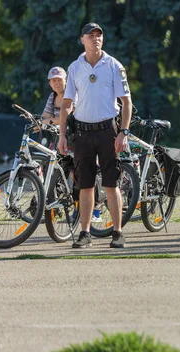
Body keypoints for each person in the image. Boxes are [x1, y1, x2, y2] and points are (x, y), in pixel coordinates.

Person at [58, 22, 132, 248]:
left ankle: (118, 232)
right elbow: (67, 104)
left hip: (107, 131)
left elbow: (126, 102)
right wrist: (62, 135)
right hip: (83, 132)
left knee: (111, 183)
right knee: (85, 184)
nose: (95, 38)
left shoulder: (113, 65)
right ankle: (85, 233)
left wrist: (123, 132)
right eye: (90, 35)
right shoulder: (75, 67)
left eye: (99, 35)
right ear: (82, 40)